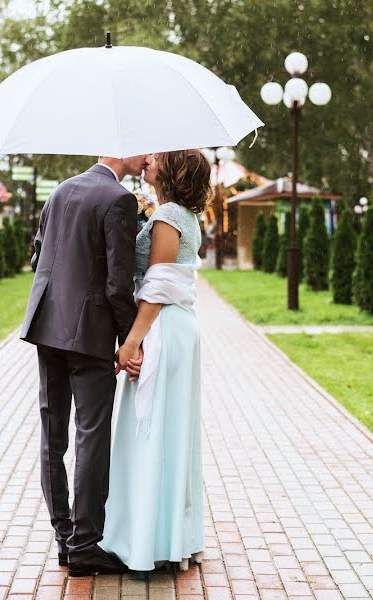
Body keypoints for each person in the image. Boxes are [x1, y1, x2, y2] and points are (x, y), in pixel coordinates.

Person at [20, 155, 148, 577]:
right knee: (92, 434)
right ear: (121, 151)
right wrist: (132, 340)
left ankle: (64, 538)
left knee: (53, 433)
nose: (147, 155)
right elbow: (117, 283)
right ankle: (85, 544)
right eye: (141, 148)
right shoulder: (119, 199)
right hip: (88, 333)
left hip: (45, 325)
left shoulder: (60, 190)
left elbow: (38, 256)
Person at [100, 150, 209, 571]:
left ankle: (147, 540)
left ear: (173, 169)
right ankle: (168, 536)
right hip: (177, 325)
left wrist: (130, 343)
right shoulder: (175, 213)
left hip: (162, 327)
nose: (149, 158)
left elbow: (160, 284)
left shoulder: (168, 215)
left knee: (150, 430)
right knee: (167, 429)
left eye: (159, 156)